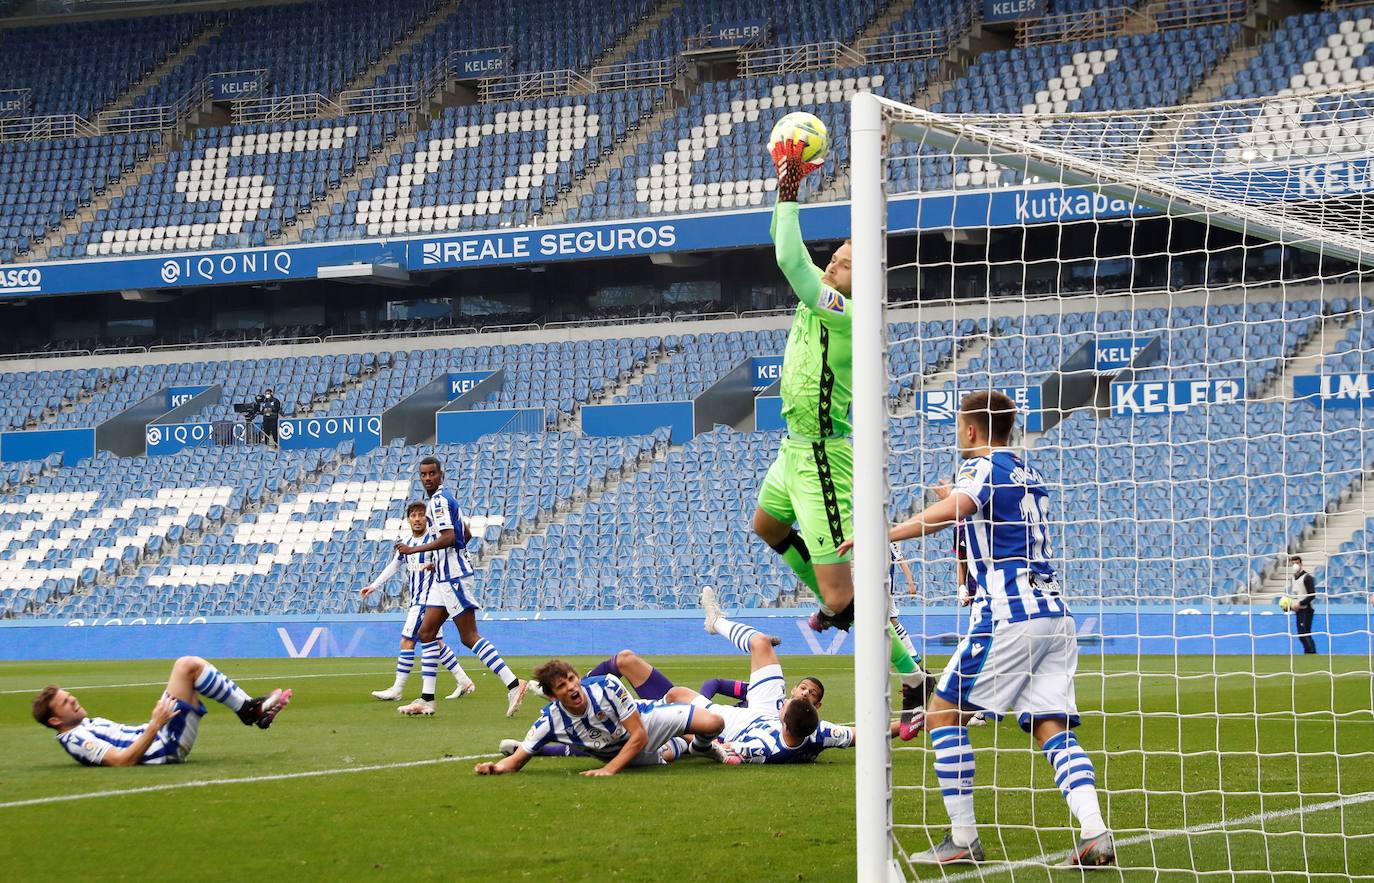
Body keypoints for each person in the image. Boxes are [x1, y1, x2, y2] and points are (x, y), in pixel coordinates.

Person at [840, 390, 1113, 867]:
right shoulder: (1026, 470)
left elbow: (956, 512)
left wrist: (882, 532)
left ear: (970, 429)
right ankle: (1095, 832)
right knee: (1050, 725)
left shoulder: (979, 467)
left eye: (959, 427)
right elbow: (989, 520)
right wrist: (955, 500)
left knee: (943, 714)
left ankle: (963, 839)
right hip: (1054, 614)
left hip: (1008, 615)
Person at [752, 135, 931, 724]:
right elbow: (802, 269)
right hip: (793, 449)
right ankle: (838, 606)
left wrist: (788, 186)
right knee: (766, 524)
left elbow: (788, 258)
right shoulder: (819, 304)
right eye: (836, 256)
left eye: (847, 262)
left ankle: (912, 675)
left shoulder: (847, 313)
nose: (834, 262)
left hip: (823, 458)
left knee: (840, 595)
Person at [396, 455, 527, 717]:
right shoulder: (443, 501)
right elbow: (465, 534)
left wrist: (416, 549)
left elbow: (451, 536)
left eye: (432, 473)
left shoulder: (440, 502)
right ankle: (427, 699)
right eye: (423, 474)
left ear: (440, 475)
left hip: (453, 578)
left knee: (468, 637)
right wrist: (444, 558)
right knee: (426, 632)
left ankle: (513, 683)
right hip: (444, 575)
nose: (428, 478)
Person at [473, 659, 730, 776]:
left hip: (645, 724)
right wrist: (495, 768)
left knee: (714, 723)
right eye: (562, 686)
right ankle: (682, 745)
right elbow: (516, 762)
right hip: (624, 753)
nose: (572, 687)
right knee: (664, 756)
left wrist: (608, 770)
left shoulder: (606, 686)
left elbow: (639, 735)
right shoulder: (550, 720)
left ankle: (701, 747)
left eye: (573, 680)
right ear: (553, 696)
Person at [32, 656, 290, 766]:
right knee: (187, 666)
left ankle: (254, 712)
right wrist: (155, 724)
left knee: (190, 670)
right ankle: (250, 711)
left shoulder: (84, 725)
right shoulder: (75, 739)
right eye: (66, 702)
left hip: (160, 736)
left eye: (69, 696)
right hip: (163, 744)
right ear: (55, 720)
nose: (73, 699)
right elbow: (121, 762)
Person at [361, 500, 475, 701]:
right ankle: (464, 680)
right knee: (435, 643)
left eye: (421, 515)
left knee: (407, 640)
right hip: (417, 600)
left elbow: (454, 553)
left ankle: (397, 689)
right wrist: (374, 585)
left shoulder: (435, 540)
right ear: (408, 520)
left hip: (428, 600)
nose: (417, 519)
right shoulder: (406, 543)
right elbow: (393, 566)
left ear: (427, 518)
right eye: (413, 515)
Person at [1289, 555, 1319, 655]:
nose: (1295, 565)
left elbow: (1312, 595)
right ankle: (1307, 652)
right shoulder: (1293, 578)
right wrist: (1291, 605)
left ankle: (1311, 652)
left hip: (1307, 609)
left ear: (1301, 564)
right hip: (1299, 610)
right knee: (1301, 634)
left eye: (1297, 563)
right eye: (1293, 563)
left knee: (1305, 632)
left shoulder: (1307, 577)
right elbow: (1295, 594)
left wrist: (1300, 603)